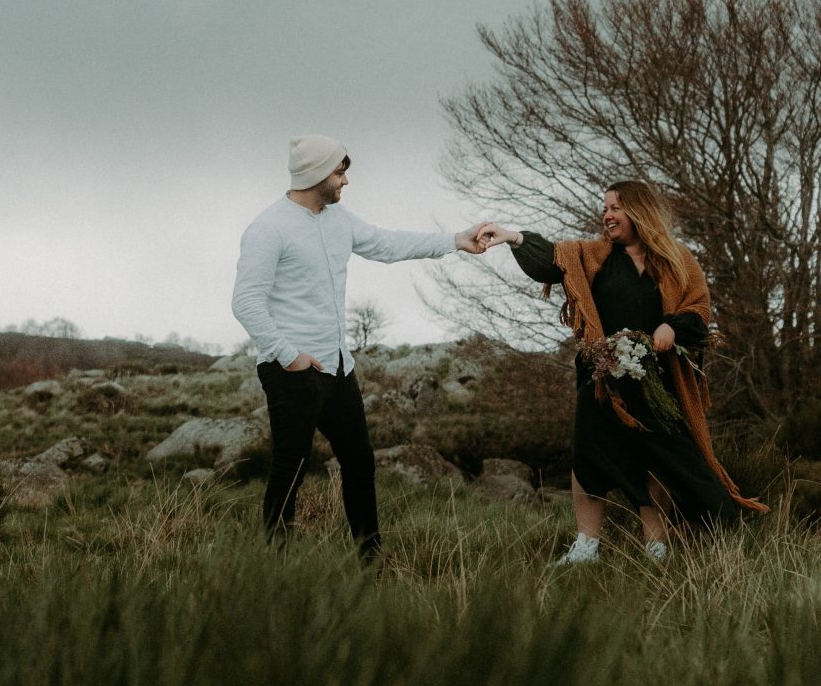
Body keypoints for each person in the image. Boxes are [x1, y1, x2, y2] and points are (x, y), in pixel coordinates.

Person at [230, 134, 503, 560]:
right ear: (318, 174)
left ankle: (370, 557)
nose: (345, 181)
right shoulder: (268, 228)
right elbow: (245, 302)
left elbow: (388, 244)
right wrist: (290, 357)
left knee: (359, 461)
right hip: (293, 370)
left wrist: (455, 241)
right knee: (291, 467)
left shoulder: (340, 221)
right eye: (340, 172)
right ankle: (274, 563)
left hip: (338, 368)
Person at [505, 180, 763, 564]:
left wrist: (671, 326)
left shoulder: (677, 260)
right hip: (600, 380)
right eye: (605, 207)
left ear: (640, 212)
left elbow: (699, 310)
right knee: (588, 459)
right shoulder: (595, 255)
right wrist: (511, 237)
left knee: (658, 461)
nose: (607, 215)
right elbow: (551, 260)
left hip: (657, 382)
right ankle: (586, 547)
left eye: (615, 208)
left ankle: (657, 547)